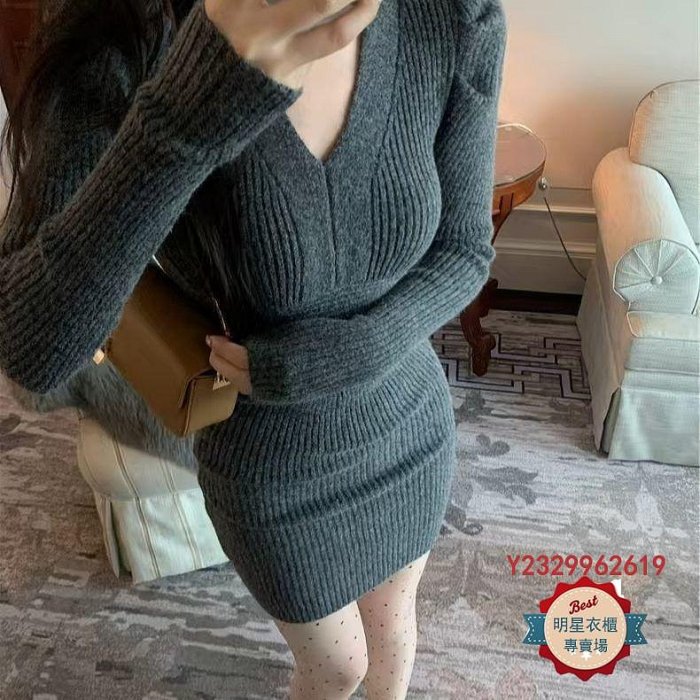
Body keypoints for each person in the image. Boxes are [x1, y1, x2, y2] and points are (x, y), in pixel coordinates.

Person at [0, 0, 507, 697]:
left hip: (406, 420)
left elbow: (464, 249)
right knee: (337, 668)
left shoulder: (455, 14)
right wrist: (194, 108)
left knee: (394, 637)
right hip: (271, 463)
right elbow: (32, 349)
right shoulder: (124, 33)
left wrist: (345, 355)